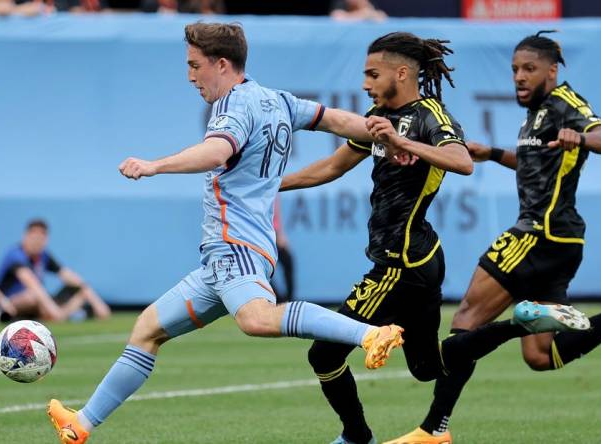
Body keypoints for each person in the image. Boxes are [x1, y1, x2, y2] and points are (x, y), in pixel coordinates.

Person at [46, 22, 408, 444]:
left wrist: (154, 165)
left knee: (255, 319)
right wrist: (388, 135)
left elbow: (219, 149)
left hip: (236, 247)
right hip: (223, 259)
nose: (190, 76)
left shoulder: (234, 106)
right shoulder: (276, 100)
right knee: (148, 328)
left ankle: (369, 333)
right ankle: (81, 424)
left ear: (221, 63)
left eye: (194, 65)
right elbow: (336, 120)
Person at [280, 32, 588, 444]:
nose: (365, 83)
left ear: (401, 73)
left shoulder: (430, 116)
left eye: (372, 74)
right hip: (422, 259)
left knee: (323, 353)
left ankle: (356, 436)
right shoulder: (378, 115)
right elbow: (332, 168)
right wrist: (270, 186)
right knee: (430, 368)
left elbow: (462, 162)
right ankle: (519, 323)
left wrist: (402, 142)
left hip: (399, 263)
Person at [384, 31, 601, 444]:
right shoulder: (537, 113)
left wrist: (581, 136)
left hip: (537, 234)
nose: (519, 77)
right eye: (514, 70)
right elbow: (532, 164)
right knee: (541, 356)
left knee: (467, 320)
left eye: (528, 69)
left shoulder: (564, 103)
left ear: (552, 70)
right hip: (562, 242)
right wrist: (491, 153)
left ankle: (434, 429)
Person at [0, 219, 111, 322]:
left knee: (79, 290)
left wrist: (96, 302)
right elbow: (32, 283)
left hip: (38, 301)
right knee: (33, 296)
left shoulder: (43, 255)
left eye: (41, 238)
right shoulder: (15, 254)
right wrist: (53, 309)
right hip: (8, 301)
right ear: (25, 236)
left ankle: (60, 314)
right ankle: (61, 314)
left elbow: (68, 275)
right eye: (34, 237)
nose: (37, 242)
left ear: (46, 239)